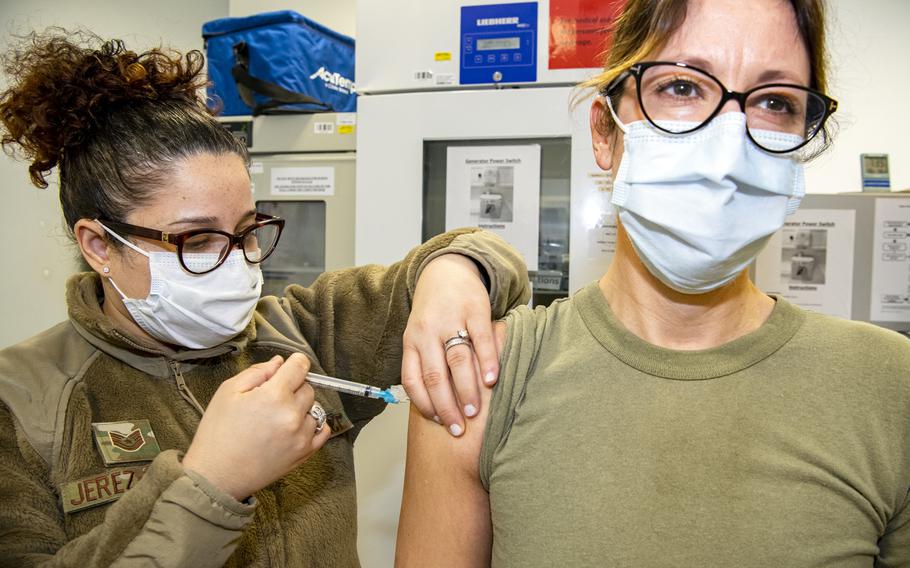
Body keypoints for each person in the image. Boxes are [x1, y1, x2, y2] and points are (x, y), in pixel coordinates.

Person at [397, 0, 910, 565]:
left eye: (774, 102)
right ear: (604, 131)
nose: (726, 151)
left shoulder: (889, 387)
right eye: (683, 88)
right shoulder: (482, 379)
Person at [0, 30, 530, 567]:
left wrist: (451, 275)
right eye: (197, 239)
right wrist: (213, 482)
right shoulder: (23, 402)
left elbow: (490, 255)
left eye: (247, 231)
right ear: (99, 246)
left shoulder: (300, 330)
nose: (237, 261)